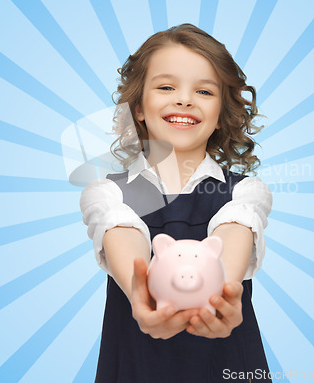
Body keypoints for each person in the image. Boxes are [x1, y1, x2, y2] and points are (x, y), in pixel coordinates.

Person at [80, 24, 273, 382]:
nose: (184, 99)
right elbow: (123, 231)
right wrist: (143, 296)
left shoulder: (246, 193)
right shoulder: (106, 194)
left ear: (220, 115)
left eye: (203, 90)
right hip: (137, 368)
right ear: (138, 107)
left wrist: (218, 300)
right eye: (166, 86)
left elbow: (232, 232)